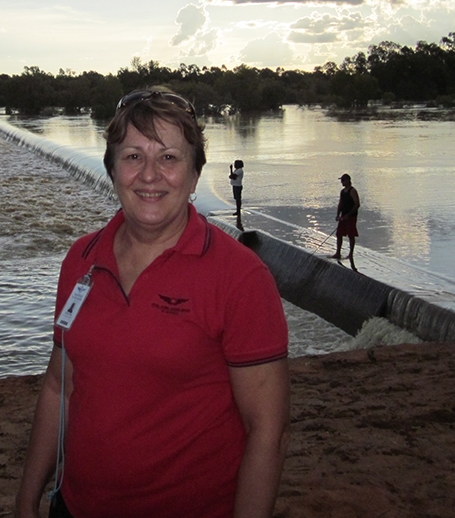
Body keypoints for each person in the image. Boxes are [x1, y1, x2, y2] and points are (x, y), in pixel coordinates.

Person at [15, 88, 290, 518]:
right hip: (75, 507)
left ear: (195, 174)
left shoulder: (241, 278)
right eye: (132, 156)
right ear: (111, 169)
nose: (149, 175)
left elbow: (267, 432)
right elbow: (59, 386)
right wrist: (27, 498)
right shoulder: (80, 260)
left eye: (168, 158)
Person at [331, 173, 360, 260]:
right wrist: (337, 214)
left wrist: (349, 215)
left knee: (351, 235)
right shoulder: (342, 192)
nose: (342, 182)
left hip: (351, 216)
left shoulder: (352, 191)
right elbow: (340, 204)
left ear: (348, 180)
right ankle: (338, 252)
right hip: (343, 216)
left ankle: (350, 254)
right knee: (339, 234)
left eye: (343, 180)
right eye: (341, 180)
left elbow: (357, 204)